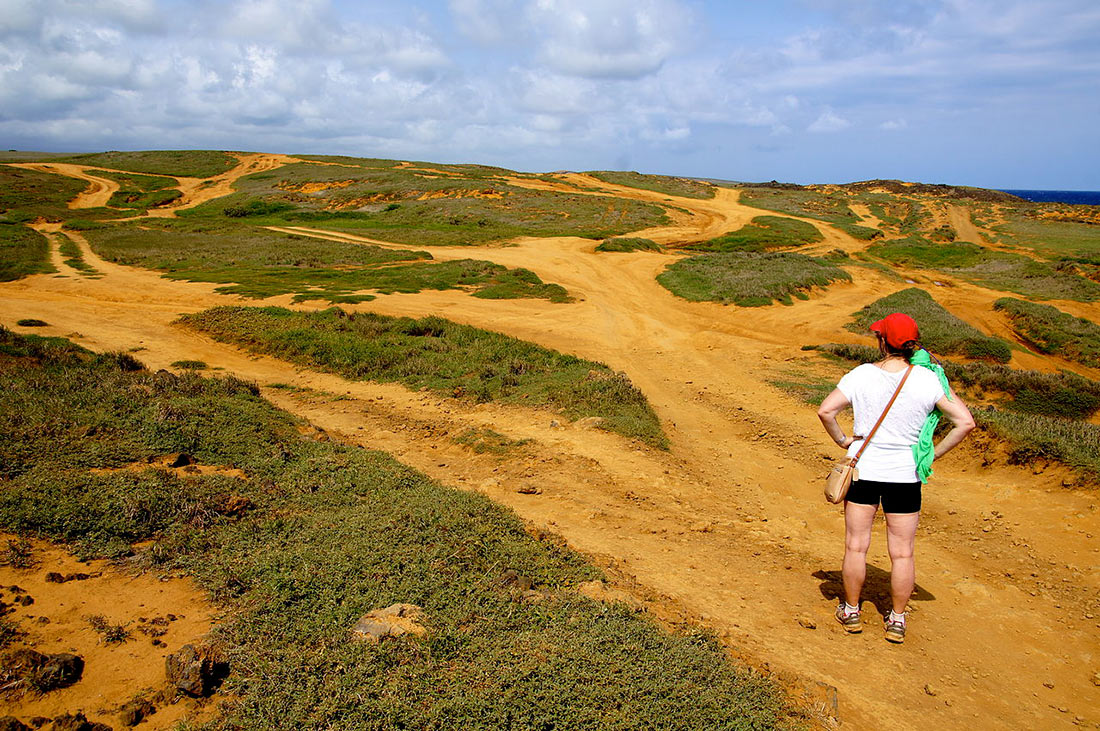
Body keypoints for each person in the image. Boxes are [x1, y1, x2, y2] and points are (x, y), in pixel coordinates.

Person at [817, 312, 975, 643]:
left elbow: (826, 411)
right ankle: (897, 620)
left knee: (856, 546)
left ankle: (850, 611)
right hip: (906, 476)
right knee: (902, 552)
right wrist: (931, 454)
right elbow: (965, 422)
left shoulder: (860, 375)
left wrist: (845, 441)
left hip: (864, 471)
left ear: (882, 341)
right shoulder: (928, 380)